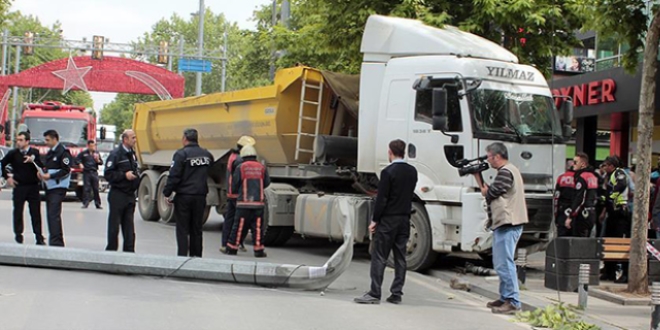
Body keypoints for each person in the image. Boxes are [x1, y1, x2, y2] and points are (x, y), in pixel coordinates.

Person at [354, 139, 418, 305]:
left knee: (380, 256)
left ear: (390, 152)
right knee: (400, 257)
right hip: (404, 219)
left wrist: (374, 220)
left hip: (388, 219)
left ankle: (375, 293)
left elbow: (382, 199)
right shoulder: (412, 171)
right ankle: (396, 293)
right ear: (403, 152)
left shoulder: (388, 172)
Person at [479, 142, 528, 314]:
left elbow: (490, 194)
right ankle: (504, 297)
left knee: (505, 264)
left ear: (497, 156)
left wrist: (477, 176)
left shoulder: (506, 173)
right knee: (500, 263)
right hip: (506, 223)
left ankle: (513, 301)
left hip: (509, 224)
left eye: (489, 157)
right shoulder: (509, 170)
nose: (488, 161)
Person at [163, 128, 214, 257]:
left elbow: (174, 176)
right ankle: (196, 257)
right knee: (196, 229)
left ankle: (182, 257)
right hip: (200, 196)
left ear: (184, 139)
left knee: (182, 229)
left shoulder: (181, 155)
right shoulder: (207, 155)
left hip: (184, 197)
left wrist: (167, 192)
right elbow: (210, 169)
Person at [0, 131, 45, 245]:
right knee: (18, 211)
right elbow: (2, 164)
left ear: (27, 141)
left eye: (21, 140)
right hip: (19, 186)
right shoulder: (13, 153)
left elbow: (41, 165)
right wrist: (7, 177)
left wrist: (33, 160)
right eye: (17, 140)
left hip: (33, 186)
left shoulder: (34, 152)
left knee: (35, 212)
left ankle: (39, 237)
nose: (18, 142)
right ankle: (18, 235)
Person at [225, 144, 270, 257]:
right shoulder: (262, 167)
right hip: (258, 204)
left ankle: (232, 248)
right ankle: (259, 250)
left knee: (238, 226)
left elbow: (234, 184)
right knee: (258, 227)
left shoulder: (241, 167)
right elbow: (266, 183)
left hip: (243, 204)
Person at [104, 129, 139, 252]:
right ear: (125, 139)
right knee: (114, 227)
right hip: (118, 194)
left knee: (129, 228)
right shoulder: (116, 154)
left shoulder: (132, 154)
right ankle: (111, 253)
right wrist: (124, 175)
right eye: (133, 138)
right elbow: (108, 174)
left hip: (130, 195)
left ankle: (129, 254)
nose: (135, 140)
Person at [220, 135, 255, 254]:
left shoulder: (232, 156)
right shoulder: (240, 160)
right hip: (238, 195)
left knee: (230, 220)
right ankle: (236, 243)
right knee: (242, 221)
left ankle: (225, 243)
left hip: (231, 193)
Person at [600, 156, 631, 283]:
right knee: (608, 242)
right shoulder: (609, 176)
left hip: (620, 213)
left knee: (621, 244)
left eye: (606, 165)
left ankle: (625, 273)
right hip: (612, 213)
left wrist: (611, 196)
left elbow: (621, 185)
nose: (605, 167)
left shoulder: (619, 173)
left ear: (612, 165)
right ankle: (609, 271)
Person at [39, 129, 72, 247]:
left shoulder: (63, 152)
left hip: (58, 187)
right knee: (50, 214)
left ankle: (56, 242)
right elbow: (47, 167)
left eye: (48, 140)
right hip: (49, 187)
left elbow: (66, 170)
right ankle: (54, 240)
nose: (46, 142)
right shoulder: (50, 153)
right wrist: (42, 173)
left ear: (55, 139)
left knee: (54, 214)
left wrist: (51, 175)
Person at [565, 152, 598, 237]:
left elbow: (580, 198)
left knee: (579, 241)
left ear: (583, 164)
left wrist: (571, 216)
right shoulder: (593, 176)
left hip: (583, 213)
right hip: (592, 212)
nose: (573, 164)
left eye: (575, 162)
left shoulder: (582, 177)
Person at [77, 140, 103, 209]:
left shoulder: (96, 153)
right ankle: (85, 203)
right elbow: (77, 160)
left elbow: (101, 162)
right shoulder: (83, 153)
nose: (93, 147)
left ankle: (98, 203)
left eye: (94, 146)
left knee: (96, 189)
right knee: (86, 188)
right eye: (91, 146)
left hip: (94, 172)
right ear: (88, 146)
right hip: (86, 172)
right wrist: (80, 164)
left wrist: (98, 161)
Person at [554, 164, 576, 237]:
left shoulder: (561, 177)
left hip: (562, 208)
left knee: (561, 235)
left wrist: (556, 216)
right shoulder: (579, 178)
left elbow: (556, 197)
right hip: (574, 210)